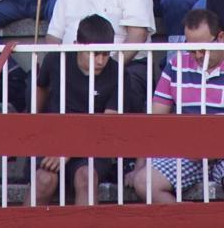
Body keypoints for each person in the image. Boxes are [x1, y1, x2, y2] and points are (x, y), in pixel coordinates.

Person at [131, 8, 224, 203]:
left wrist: (216, 148)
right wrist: (139, 167)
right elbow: (154, 120)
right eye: (191, 48)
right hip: (188, 153)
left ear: (220, 37)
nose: (196, 55)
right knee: (144, 181)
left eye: (202, 48)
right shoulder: (177, 64)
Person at [29, 13, 143, 206]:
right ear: (77, 45)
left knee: (86, 177)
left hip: (94, 145)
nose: (100, 61)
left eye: (105, 54)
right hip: (53, 140)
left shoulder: (118, 73)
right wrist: (36, 122)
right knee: (44, 180)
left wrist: (67, 151)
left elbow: (106, 125)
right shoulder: (56, 60)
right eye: (94, 54)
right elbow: (41, 87)